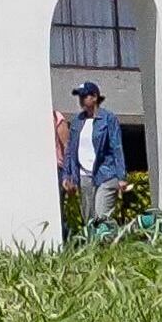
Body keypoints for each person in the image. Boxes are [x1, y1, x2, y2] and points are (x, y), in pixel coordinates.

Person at [59, 80, 126, 242]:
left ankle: (111, 252)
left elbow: (117, 147)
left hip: (106, 174)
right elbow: (70, 151)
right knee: (89, 219)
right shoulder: (77, 122)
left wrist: (122, 177)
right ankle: (95, 255)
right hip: (84, 176)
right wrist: (67, 176)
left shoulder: (108, 119)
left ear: (95, 97)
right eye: (79, 97)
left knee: (101, 216)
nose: (81, 100)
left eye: (84, 96)